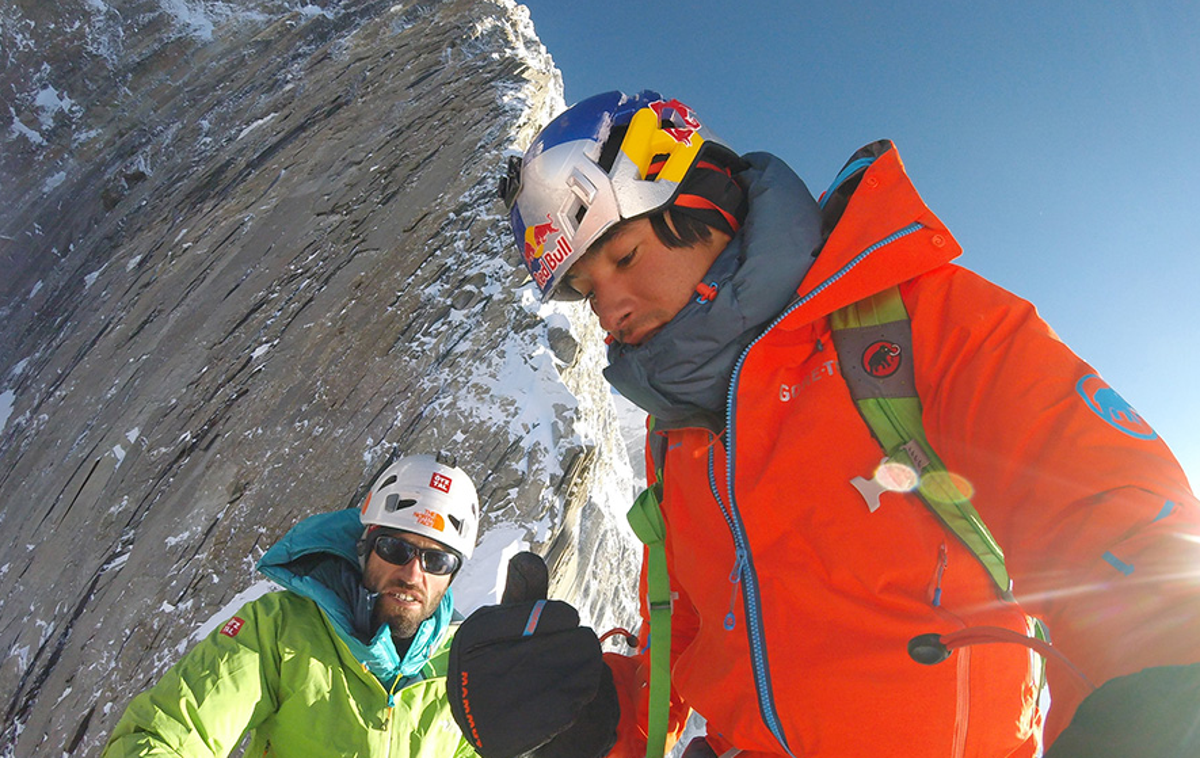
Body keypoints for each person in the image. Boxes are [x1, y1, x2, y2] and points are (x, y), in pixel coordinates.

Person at [450, 91, 1200, 758]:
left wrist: (1159, 689)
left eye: (624, 254)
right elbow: (682, 662)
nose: (609, 307)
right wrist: (580, 718)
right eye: (586, 288)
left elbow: (1114, 514)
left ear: (706, 205)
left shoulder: (918, 322)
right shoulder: (677, 440)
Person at [102, 452, 483, 757]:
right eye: (395, 548)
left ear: (452, 576)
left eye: (437, 561)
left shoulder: (465, 669)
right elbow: (168, 734)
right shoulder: (278, 630)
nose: (413, 575)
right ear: (365, 546)